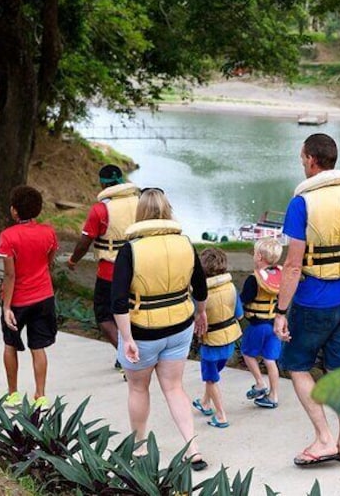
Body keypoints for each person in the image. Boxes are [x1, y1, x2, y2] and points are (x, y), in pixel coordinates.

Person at [275, 133, 340, 468]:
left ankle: (323, 440)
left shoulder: (302, 203)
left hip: (312, 299)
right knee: (338, 370)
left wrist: (280, 312)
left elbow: (292, 265)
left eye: (302, 158)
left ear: (310, 160)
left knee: (297, 365)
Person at [111, 188, 210, 471]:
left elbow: (117, 301)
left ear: (140, 213)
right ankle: (193, 448)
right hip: (180, 326)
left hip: (143, 330)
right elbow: (200, 288)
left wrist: (127, 338)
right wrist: (201, 312)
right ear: (168, 210)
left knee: (139, 389)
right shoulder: (186, 244)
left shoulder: (130, 250)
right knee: (175, 388)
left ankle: (139, 449)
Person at [67, 165, 139, 373]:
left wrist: (73, 260)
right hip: (139, 265)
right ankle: (135, 351)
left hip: (111, 271)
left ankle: (125, 353)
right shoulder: (139, 202)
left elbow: (84, 242)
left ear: (102, 183)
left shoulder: (101, 209)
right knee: (133, 311)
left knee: (105, 315)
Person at [0, 185, 59, 410]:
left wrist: (6, 307)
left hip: (18, 301)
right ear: (38, 209)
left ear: (14, 211)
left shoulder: (8, 237)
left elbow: (10, 275)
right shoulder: (49, 233)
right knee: (38, 347)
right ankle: (40, 396)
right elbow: (49, 260)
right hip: (44, 297)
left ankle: (12, 395)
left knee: (10, 345)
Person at [191, 247, 243, 428]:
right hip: (229, 340)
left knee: (210, 379)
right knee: (213, 374)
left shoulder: (200, 296)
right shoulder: (231, 288)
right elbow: (240, 315)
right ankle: (205, 402)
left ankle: (221, 416)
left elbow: (193, 318)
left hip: (211, 343)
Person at [239, 237, 284, 409]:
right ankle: (273, 396)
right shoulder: (280, 276)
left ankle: (259, 383)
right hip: (274, 325)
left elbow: (245, 299)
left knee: (248, 354)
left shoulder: (254, 279)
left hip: (258, 326)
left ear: (258, 257)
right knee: (270, 360)